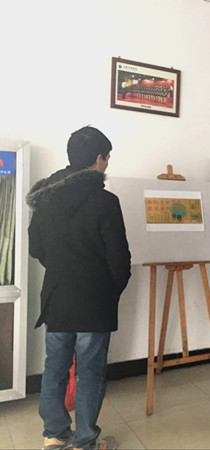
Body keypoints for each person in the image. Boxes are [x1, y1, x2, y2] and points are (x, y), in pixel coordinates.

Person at [27, 126, 131, 450]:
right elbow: (119, 260)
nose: (107, 164)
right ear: (98, 159)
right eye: (107, 158)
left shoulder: (46, 199)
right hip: (94, 302)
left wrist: (62, 268)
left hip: (57, 298)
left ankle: (54, 434)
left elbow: (35, 247)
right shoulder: (106, 201)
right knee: (89, 373)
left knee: (55, 369)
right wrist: (111, 289)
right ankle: (85, 441)